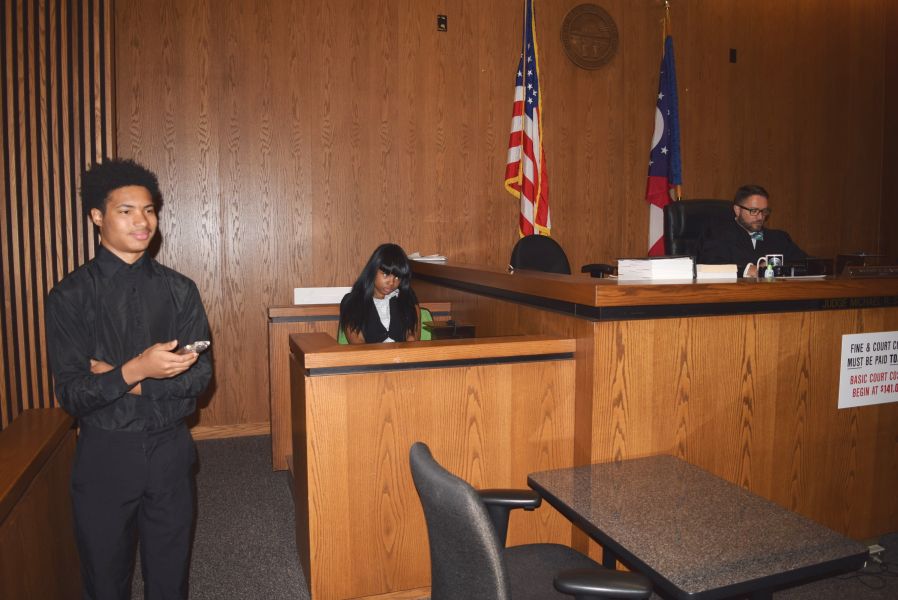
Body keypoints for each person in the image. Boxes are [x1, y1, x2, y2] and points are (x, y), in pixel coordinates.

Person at [45, 158, 212, 600]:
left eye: (149, 210)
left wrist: (128, 379)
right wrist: (138, 368)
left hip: (170, 449)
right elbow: (73, 394)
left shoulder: (181, 290)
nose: (143, 221)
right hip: (105, 453)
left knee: (170, 579)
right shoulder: (69, 296)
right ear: (97, 216)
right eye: (126, 210)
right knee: (105, 580)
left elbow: (201, 379)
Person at [697, 184, 807, 277]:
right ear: (737, 210)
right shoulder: (716, 235)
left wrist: (779, 268)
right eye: (754, 211)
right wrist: (747, 270)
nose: (760, 217)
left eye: (764, 211)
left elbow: (806, 263)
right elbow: (709, 267)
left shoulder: (779, 238)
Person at [339, 243, 421, 343]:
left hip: (402, 353)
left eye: (397, 277)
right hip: (369, 353)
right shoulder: (353, 302)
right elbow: (357, 344)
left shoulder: (407, 297)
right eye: (386, 274)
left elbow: (413, 339)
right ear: (373, 271)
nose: (391, 282)